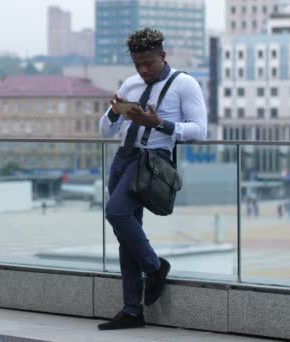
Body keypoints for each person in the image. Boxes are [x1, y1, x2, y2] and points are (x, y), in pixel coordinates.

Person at [97, 28, 207, 330]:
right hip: (122, 159)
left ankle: (155, 267)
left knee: (116, 212)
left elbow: (200, 130)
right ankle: (132, 311)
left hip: (151, 160)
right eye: (138, 64)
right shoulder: (131, 84)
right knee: (125, 236)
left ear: (163, 55)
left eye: (149, 63)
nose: (143, 70)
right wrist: (114, 113)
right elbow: (104, 131)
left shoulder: (184, 84)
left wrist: (161, 124)